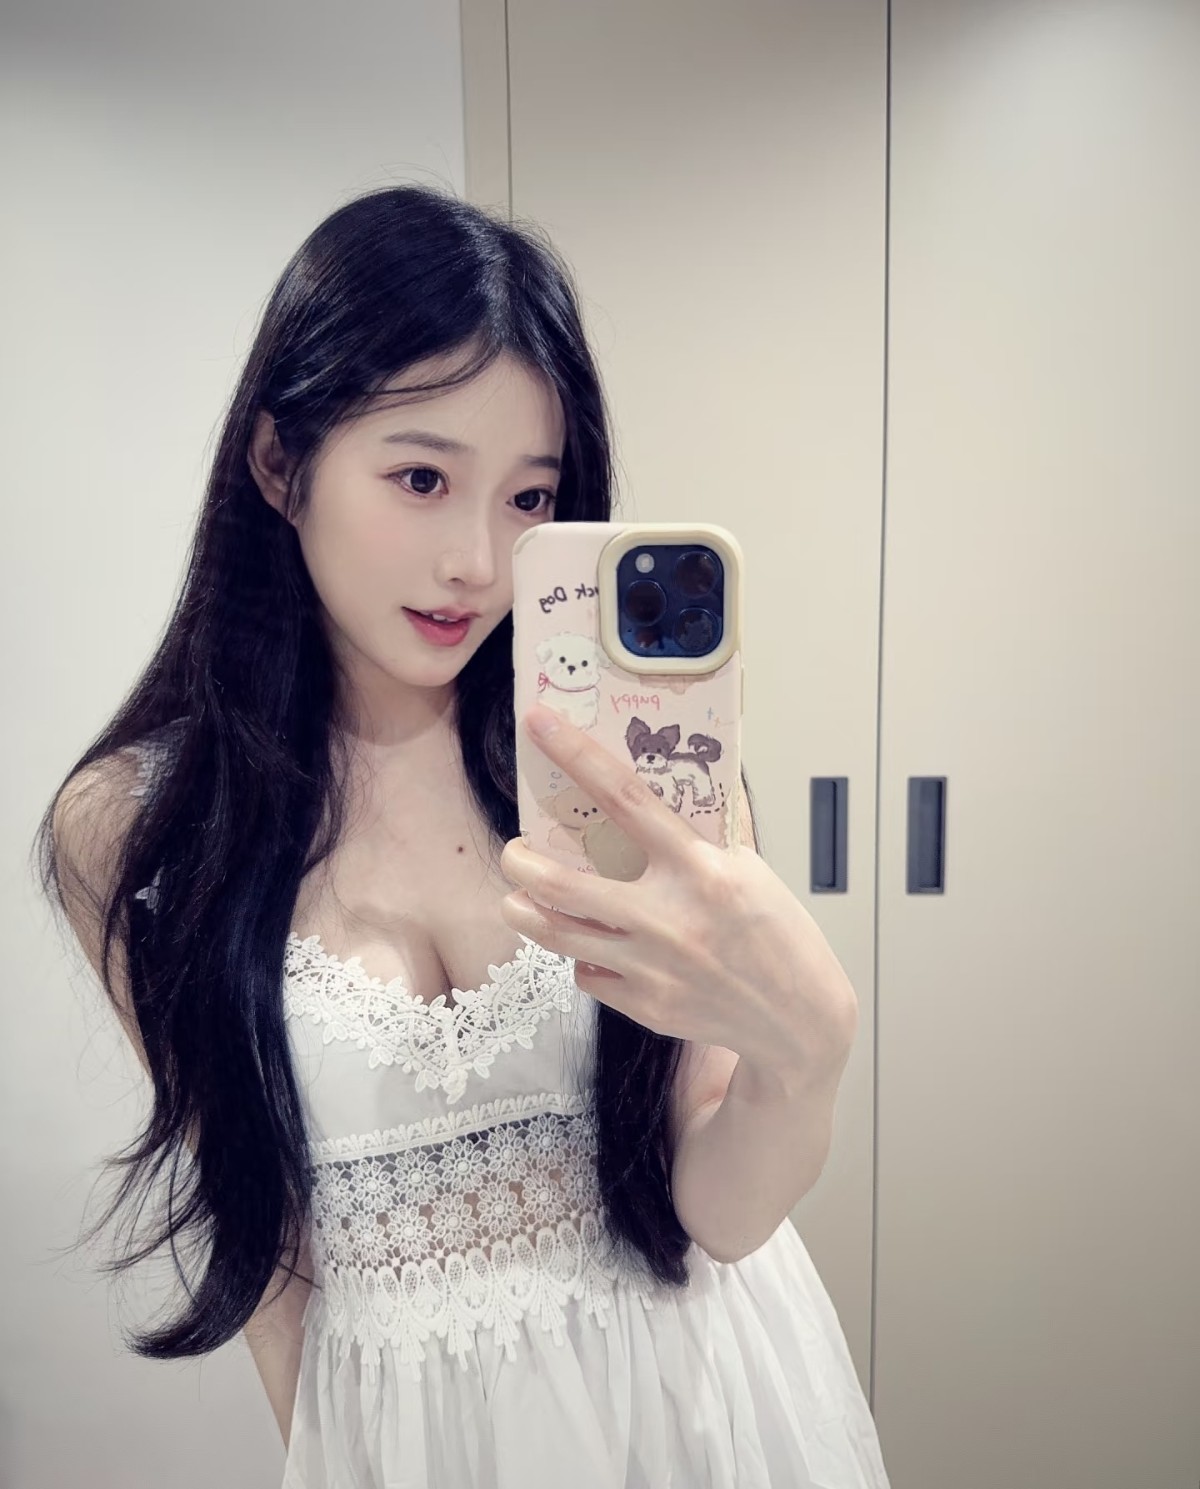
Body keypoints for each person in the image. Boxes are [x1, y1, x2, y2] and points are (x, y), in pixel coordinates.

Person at [36, 184, 891, 1487]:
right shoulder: (135, 830)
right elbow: (271, 1248)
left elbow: (716, 1213)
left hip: (697, 1407)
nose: (479, 565)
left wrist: (806, 1054)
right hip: (416, 1441)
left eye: (529, 498)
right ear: (279, 465)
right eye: (423, 478)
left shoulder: (625, 772)